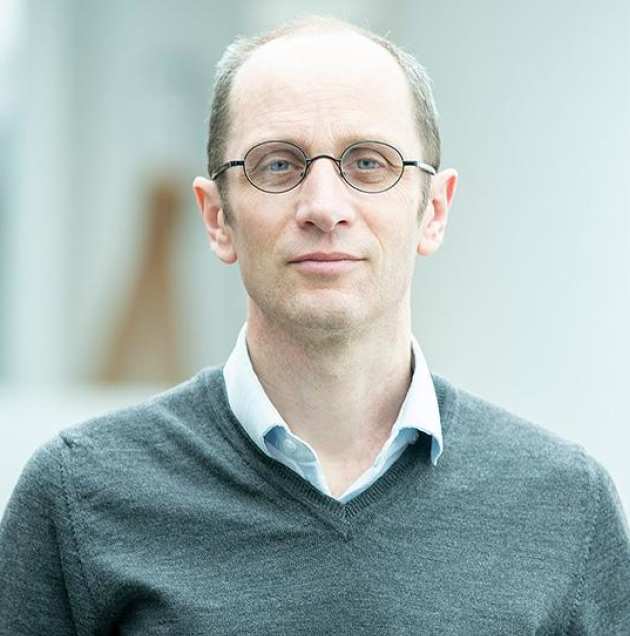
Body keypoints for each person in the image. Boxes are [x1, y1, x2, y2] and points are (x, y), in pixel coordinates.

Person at [1, 15, 629, 635]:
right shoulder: (77, 499)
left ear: (434, 210)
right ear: (217, 218)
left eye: (369, 163)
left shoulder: (567, 509)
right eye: (278, 164)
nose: (325, 208)